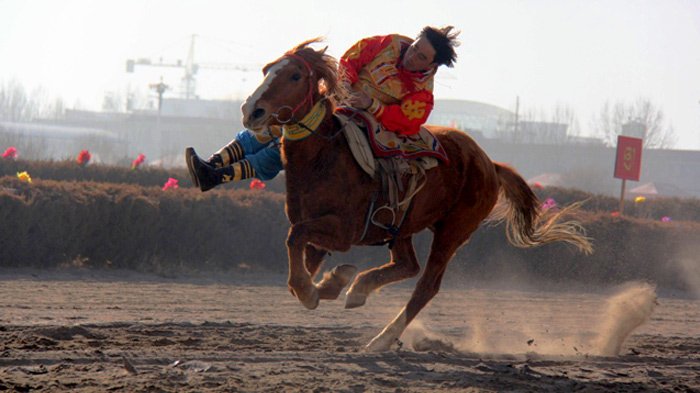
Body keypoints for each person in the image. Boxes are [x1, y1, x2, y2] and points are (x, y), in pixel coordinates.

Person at [185, 25, 460, 191]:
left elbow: (407, 123)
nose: (411, 55)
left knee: (287, 146)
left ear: (431, 66)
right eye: (414, 47)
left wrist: (372, 105)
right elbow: (352, 58)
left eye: (421, 56)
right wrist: (347, 87)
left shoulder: (423, 93)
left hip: (366, 124)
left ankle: (218, 176)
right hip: (338, 98)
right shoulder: (387, 43)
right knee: (278, 121)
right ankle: (212, 164)